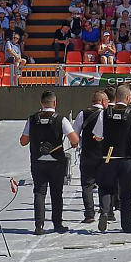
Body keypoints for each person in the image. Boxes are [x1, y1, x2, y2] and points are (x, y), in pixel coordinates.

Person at [20, 90, 79, 234]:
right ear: (55, 103)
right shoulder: (61, 119)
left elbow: (23, 141)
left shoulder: (32, 119)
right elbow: (75, 140)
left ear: (41, 103)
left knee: (39, 193)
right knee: (56, 193)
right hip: (56, 163)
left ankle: (38, 225)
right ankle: (57, 224)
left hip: (37, 161)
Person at [91, 85, 131, 232]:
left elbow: (97, 135)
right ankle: (127, 225)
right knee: (127, 191)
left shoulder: (105, 113)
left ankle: (104, 211)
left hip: (108, 155)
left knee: (105, 186)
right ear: (128, 98)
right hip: (127, 156)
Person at [74, 89, 109, 223]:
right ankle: (105, 211)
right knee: (105, 184)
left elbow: (75, 134)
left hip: (88, 153)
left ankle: (89, 214)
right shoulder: (107, 114)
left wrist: (79, 143)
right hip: (104, 154)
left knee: (87, 185)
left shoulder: (83, 114)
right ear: (103, 101)